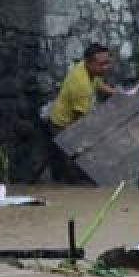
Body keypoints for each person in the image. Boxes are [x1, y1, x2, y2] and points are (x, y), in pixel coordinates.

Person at [47, 44, 115, 183]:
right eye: (102, 64)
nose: (106, 67)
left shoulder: (89, 70)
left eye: (107, 63)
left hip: (71, 118)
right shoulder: (81, 84)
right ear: (89, 63)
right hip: (63, 126)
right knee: (74, 170)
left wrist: (119, 94)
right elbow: (81, 123)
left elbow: (99, 85)